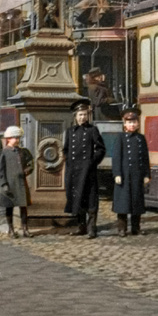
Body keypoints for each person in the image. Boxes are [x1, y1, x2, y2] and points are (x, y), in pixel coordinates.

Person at [63, 98, 106, 238]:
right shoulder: (70, 132)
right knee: (77, 199)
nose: (83, 117)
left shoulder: (92, 130)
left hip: (88, 172)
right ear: (75, 116)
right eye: (80, 114)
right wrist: (69, 162)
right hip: (74, 172)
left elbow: (101, 149)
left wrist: (91, 162)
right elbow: (65, 150)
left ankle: (92, 228)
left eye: (85, 115)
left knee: (91, 199)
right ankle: (81, 227)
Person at [112, 108, 151, 237]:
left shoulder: (141, 138)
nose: (132, 125)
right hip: (124, 175)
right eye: (129, 122)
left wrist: (146, 174)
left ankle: (136, 228)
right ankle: (122, 229)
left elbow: (145, 158)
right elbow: (116, 157)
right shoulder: (121, 138)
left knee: (136, 203)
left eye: (134, 122)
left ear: (138, 124)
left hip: (137, 175)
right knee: (123, 203)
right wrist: (117, 173)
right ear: (124, 124)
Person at [0, 126, 34, 238]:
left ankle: (25, 229)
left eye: (18, 138)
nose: (17, 140)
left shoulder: (23, 152)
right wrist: (4, 184)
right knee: (9, 207)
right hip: (9, 184)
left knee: (23, 207)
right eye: (14, 138)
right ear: (8, 139)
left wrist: (26, 171)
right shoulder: (3, 153)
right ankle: (11, 230)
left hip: (21, 183)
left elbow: (30, 163)